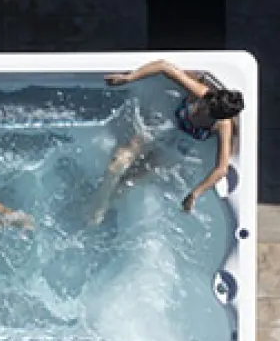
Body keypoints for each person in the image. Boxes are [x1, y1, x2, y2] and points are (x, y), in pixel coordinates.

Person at [90, 59, 243, 224]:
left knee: (129, 181)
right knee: (117, 165)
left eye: (208, 113)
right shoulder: (202, 93)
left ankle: (106, 207)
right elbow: (164, 67)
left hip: (174, 148)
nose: (202, 111)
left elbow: (221, 169)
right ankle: (98, 204)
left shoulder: (222, 126)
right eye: (204, 105)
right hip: (160, 127)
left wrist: (195, 193)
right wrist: (130, 78)